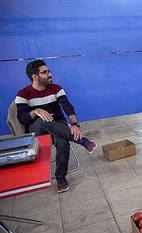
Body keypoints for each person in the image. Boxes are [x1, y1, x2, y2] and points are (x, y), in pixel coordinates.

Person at [16, 59, 97, 193]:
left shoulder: (56, 88)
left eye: (49, 71)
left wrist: (75, 124)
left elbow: (67, 107)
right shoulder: (23, 94)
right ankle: (81, 140)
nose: (50, 74)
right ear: (35, 77)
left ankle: (60, 176)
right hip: (38, 131)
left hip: (58, 126)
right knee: (42, 119)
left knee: (62, 141)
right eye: (45, 72)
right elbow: (21, 119)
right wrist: (36, 112)